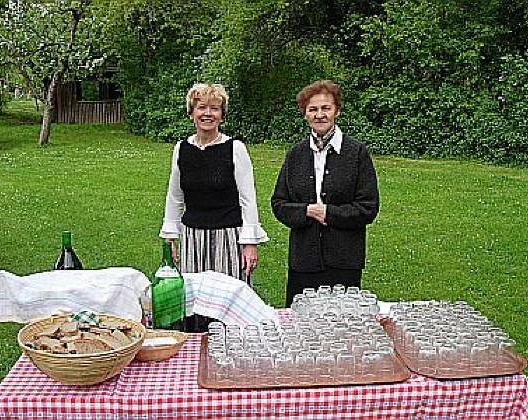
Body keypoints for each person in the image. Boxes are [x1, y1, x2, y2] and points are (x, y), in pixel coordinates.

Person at [160, 83, 269, 330]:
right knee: (193, 305)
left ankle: (233, 349)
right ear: (191, 112)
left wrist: (249, 243)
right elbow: (175, 196)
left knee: (228, 307)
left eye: (214, 108)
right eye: (201, 107)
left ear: (222, 114)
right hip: (192, 238)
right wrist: (170, 237)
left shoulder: (235, 149)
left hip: (228, 238)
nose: (207, 113)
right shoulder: (181, 149)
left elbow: (248, 199)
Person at [271, 80, 380, 307]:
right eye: (313, 109)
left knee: (342, 322)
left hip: (344, 260)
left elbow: (368, 207)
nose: (319, 115)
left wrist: (329, 213)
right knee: (301, 322)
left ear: (337, 111)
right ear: (305, 114)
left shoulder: (356, 153)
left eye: (326, 108)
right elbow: (279, 204)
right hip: (303, 261)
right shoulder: (296, 155)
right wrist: (307, 211)